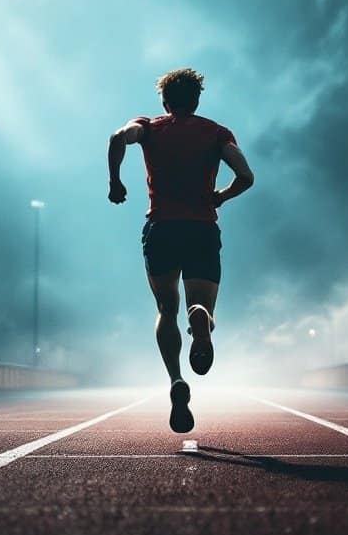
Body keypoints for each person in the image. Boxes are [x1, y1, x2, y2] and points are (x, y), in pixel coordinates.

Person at [107, 68, 254, 433]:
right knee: (197, 305)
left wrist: (115, 182)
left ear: (165, 101)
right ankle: (200, 315)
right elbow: (246, 176)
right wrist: (221, 195)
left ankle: (176, 380)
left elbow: (118, 137)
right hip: (201, 229)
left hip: (162, 229)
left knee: (165, 308)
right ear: (197, 100)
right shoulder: (217, 133)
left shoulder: (149, 127)